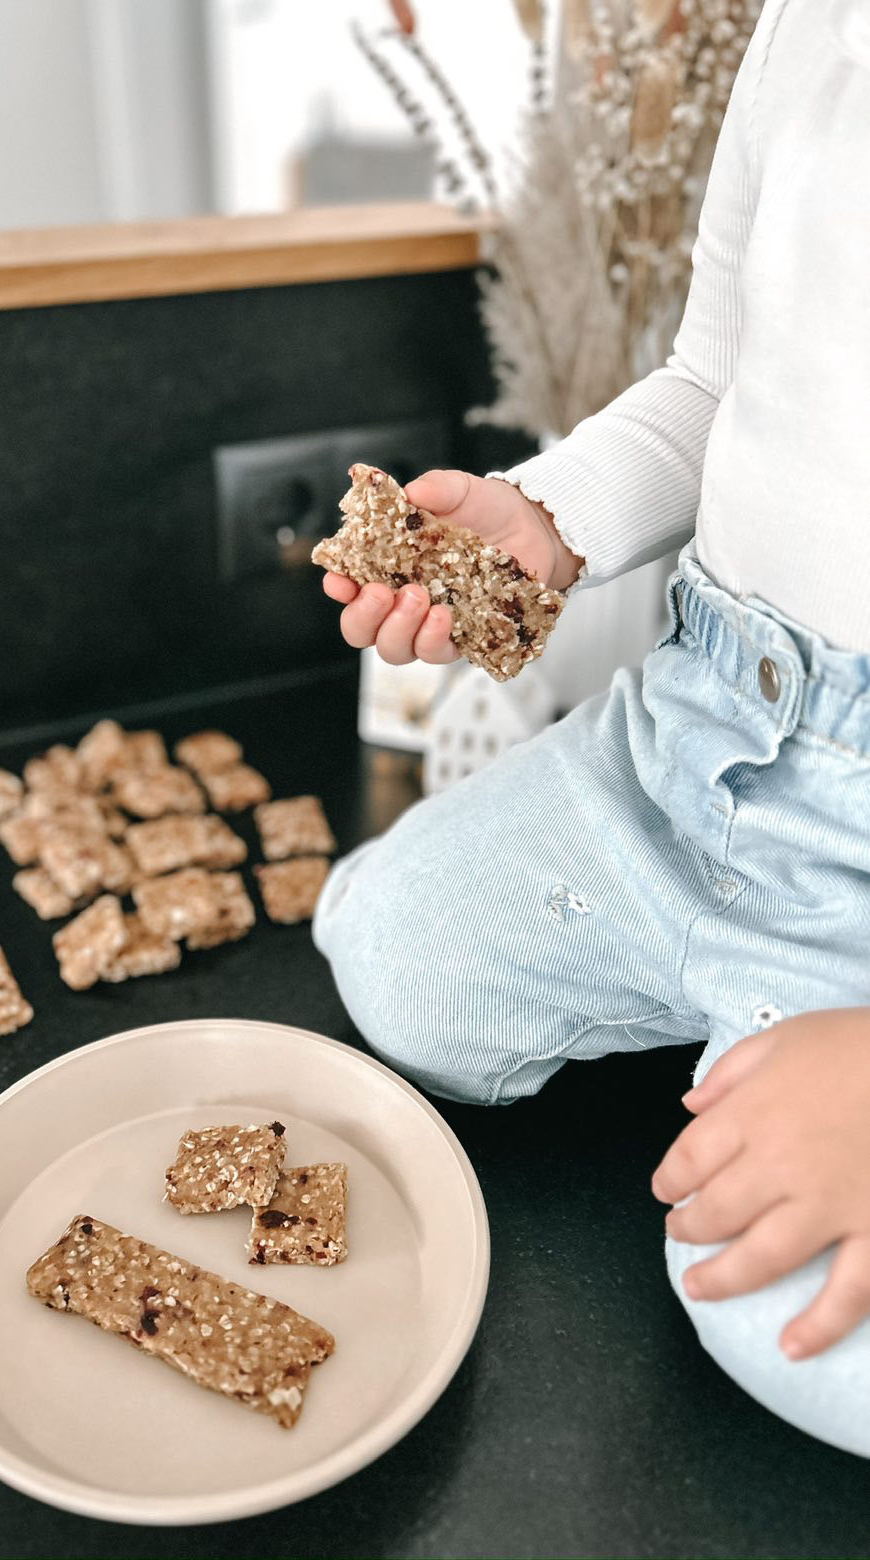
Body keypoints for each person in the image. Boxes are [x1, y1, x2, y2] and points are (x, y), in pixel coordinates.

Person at [314, 0, 870, 1457]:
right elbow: (710, 379)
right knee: (390, 956)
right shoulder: (813, 23)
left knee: (797, 1337)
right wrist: (546, 520)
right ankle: (737, 1043)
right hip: (688, 731)